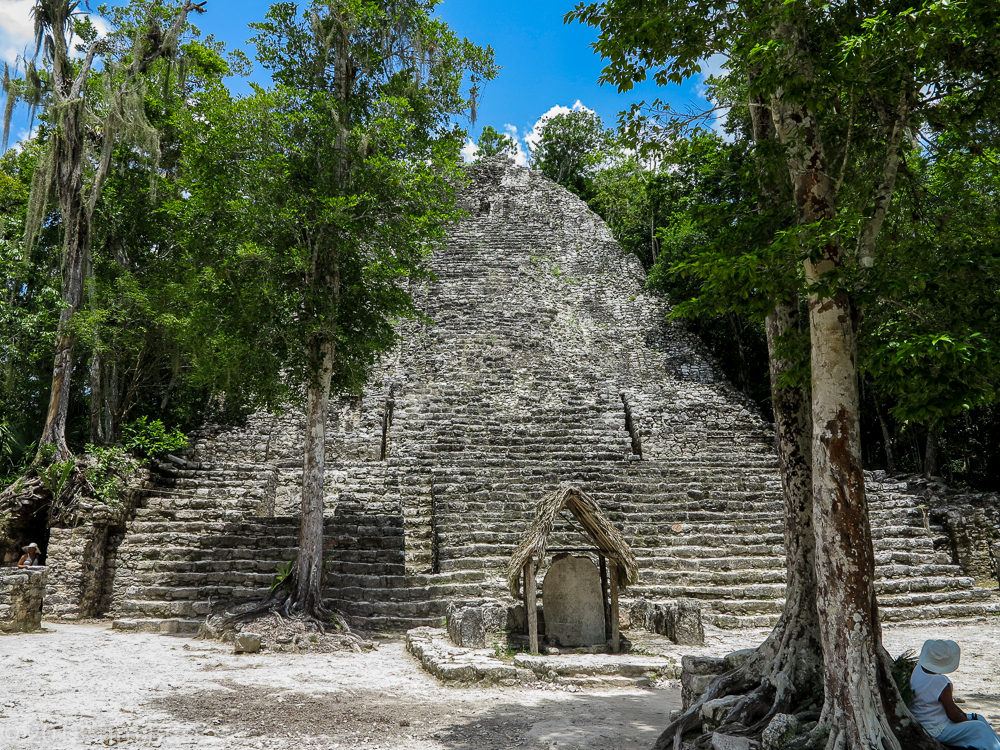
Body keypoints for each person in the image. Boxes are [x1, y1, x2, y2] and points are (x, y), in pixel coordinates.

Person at [910, 639, 1000, 749]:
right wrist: (966, 721)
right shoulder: (941, 682)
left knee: (978, 718)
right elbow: (953, 715)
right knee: (979, 727)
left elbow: (951, 708)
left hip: (925, 721)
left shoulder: (918, 668)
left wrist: (965, 717)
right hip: (935, 728)